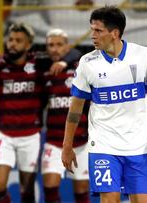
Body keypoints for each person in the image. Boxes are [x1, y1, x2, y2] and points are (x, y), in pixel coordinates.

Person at [61, 6, 147, 203]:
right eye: (92, 30)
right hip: (103, 145)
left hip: (138, 147)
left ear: (114, 33)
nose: (92, 35)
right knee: (109, 200)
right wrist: (67, 145)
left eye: (98, 31)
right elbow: (76, 108)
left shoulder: (142, 56)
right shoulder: (87, 63)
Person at [0, 22, 44, 203]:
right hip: (5, 135)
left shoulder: (40, 63)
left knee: (27, 192)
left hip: (30, 136)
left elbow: (70, 55)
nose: (12, 44)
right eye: (10, 40)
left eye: (18, 41)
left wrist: (63, 61)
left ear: (28, 45)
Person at [38, 29, 90, 203]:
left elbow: (78, 54)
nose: (54, 49)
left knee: (82, 190)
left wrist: (64, 62)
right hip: (54, 141)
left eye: (59, 45)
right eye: (50, 45)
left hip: (81, 141)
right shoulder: (43, 69)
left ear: (67, 46)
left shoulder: (79, 68)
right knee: (50, 187)